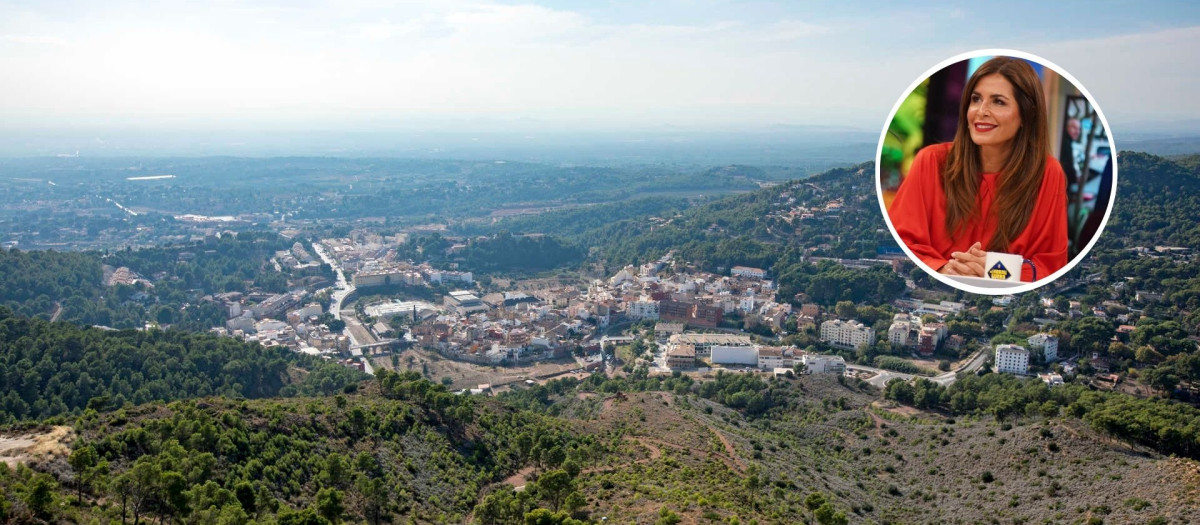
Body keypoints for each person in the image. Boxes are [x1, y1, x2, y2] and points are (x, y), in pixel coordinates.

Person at [888, 57, 1068, 283]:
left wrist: (993, 270)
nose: (981, 111)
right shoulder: (931, 161)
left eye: (998, 102)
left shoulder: (1048, 173)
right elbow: (903, 243)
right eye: (976, 99)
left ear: (1026, 115)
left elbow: (1050, 264)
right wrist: (944, 269)